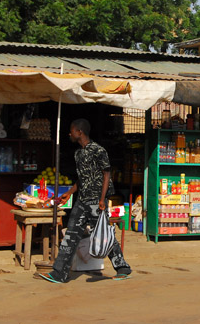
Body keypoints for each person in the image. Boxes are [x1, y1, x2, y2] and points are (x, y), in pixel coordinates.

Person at [39, 118, 131, 283]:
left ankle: (122, 267)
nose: (69, 133)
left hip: (97, 200)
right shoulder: (78, 153)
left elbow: (106, 174)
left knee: (102, 235)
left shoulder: (98, 150)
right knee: (71, 236)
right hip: (82, 200)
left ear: (79, 132)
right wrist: (69, 193)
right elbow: (82, 179)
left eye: (72, 130)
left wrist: (102, 199)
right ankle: (59, 273)